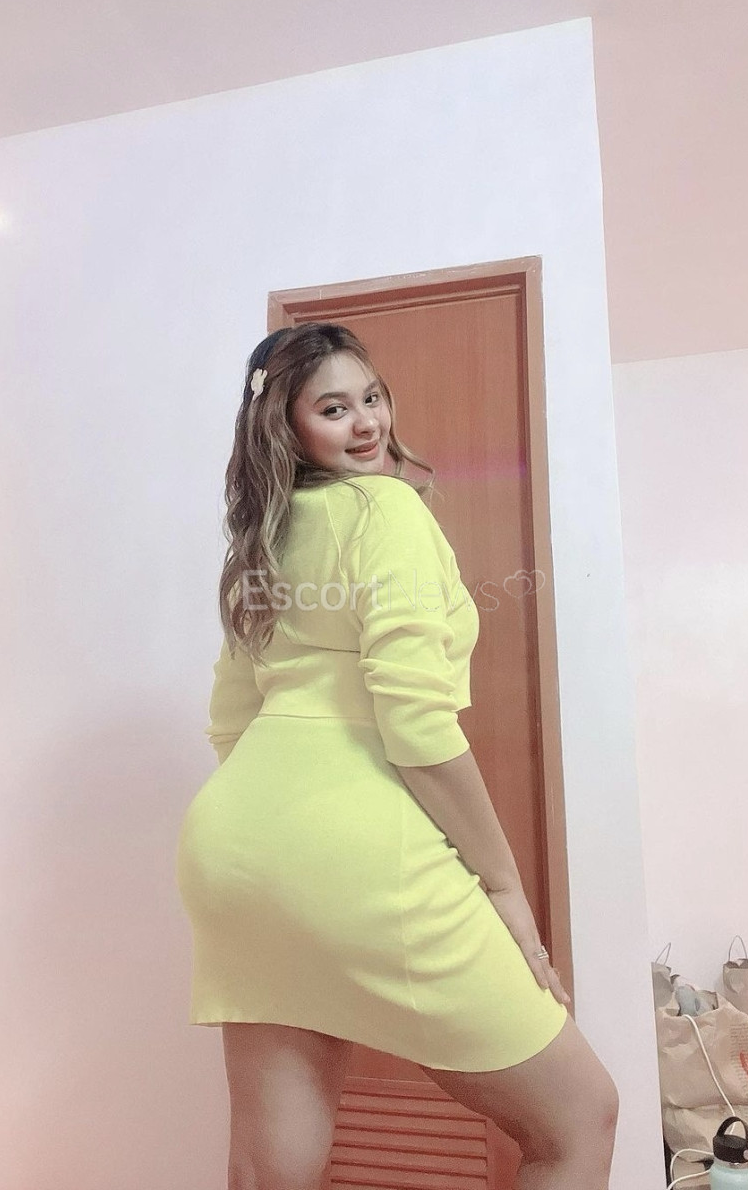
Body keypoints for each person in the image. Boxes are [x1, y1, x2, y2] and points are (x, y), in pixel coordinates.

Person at [175, 322, 618, 1190]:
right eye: (333, 409)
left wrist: (279, 840)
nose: (367, 422)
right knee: (578, 1118)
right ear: (286, 427)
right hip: (355, 851)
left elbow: (231, 721)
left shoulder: (261, 540)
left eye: (371, 397)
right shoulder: (387, 509)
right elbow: (413, 720)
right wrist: (502, 887)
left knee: (270, 1166)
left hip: (234, 854)